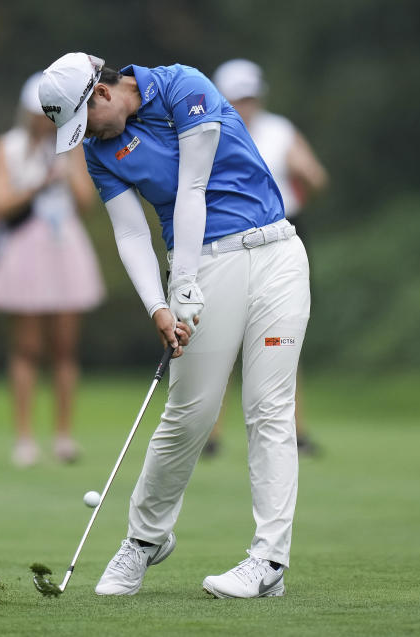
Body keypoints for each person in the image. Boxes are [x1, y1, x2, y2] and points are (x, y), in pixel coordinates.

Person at [39, 52, 310, 598]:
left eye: (83, 120)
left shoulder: (181, 85)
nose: (84, 135)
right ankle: (144, 540)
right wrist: (159, 306)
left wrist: (182, 280)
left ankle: (269, 563)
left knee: (270, 409)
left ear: (102, 94)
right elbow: (131, 235)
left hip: (277, 252)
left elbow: (193, 186)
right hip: (207, 262)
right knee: (189, 413)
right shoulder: (99, 152)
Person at [201, 59, 329, 458]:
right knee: (222, 335)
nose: (246, 105)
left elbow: (316, 178)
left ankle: (296, 429)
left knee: (283, 332)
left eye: (251, 97)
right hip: (228, 236)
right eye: (238, 97)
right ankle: (210, 433)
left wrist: (302, 172)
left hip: (284, 233)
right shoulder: (210, 131)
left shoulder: (280, 131)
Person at [0, 73, 105, 468]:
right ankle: (24, 437)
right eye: (39, 113)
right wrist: (37, 184)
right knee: (26, 348)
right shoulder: (7, 148)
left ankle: (64, 436)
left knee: (65, 349)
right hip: (24, 248)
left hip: (64, 245)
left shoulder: (71, 149)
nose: (45, 120)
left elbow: (87, 202)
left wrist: (66, 170)